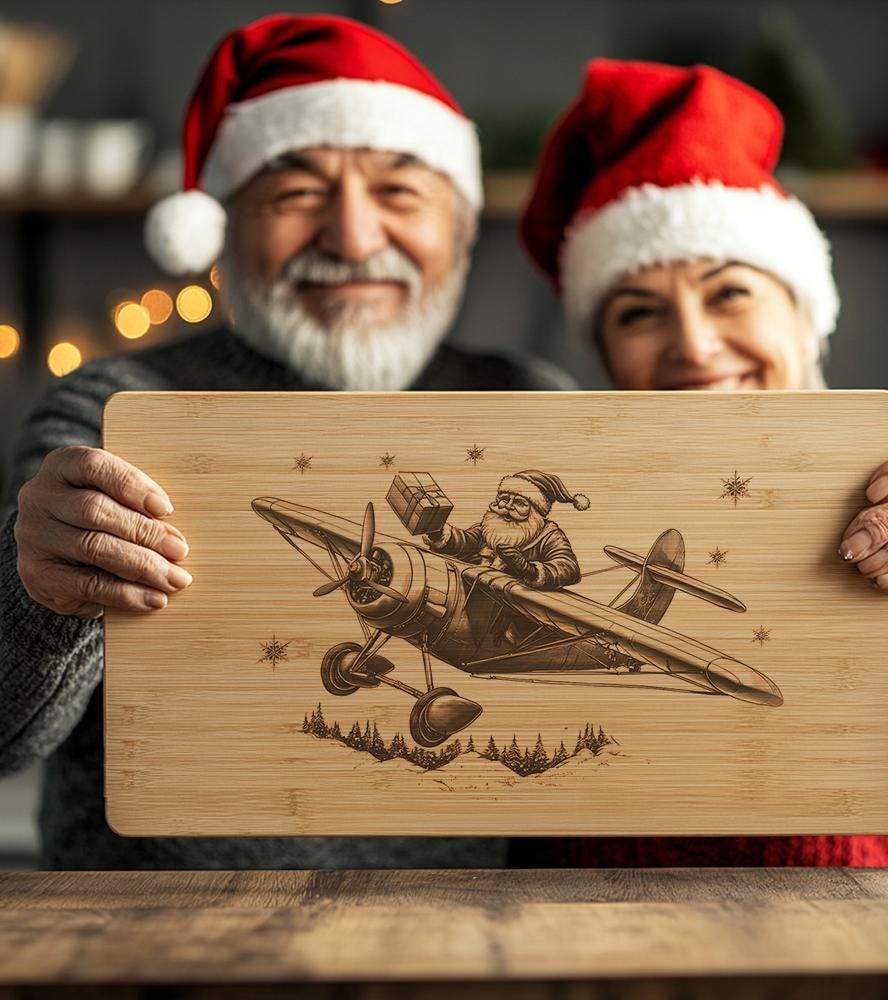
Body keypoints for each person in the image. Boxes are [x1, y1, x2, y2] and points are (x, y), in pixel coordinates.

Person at [0, 14, 569, 871]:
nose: (351, 238)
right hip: (154, 939)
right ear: (222, 228)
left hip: (495, 937)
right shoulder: (117, 410)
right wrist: (35, 591)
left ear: (460, 230)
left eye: (401, 192)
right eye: (295, 193)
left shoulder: (540, 411)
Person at [514, 59, 888, 866]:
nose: (695, 345)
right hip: (562, 949)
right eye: (638, 313)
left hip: (828, 950)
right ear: (603, 354)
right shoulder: (555, 520)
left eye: (730, 292)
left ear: (806, 318)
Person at [425, 470, 589, 589]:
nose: (508, 506)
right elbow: (465, 541)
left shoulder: (549, 536)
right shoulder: (491, 526)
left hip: (513, 612)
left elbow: (568, 567)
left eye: (519, 503)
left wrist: (528, 569)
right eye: (504, 499)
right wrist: (437, 531)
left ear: (536, 510)